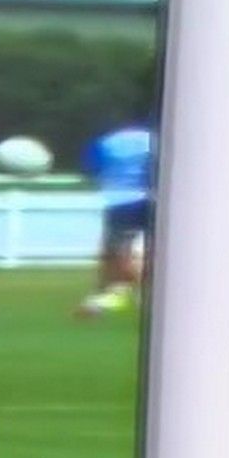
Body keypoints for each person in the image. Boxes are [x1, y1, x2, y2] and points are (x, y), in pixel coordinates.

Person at [76, 118, 155, 317]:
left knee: (115, 251)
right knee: (148, 251)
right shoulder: (153, 139)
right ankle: (117, 294)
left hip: (119, 201)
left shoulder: (106, 142)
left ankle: (110, 294)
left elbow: (90, 169)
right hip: (151, 199)